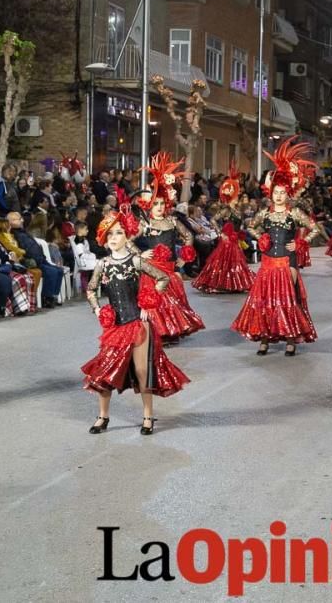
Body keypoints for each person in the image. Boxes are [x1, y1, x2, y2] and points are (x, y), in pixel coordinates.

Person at [82, 204, 190, 436]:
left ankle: (148, 416)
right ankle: (103, 416)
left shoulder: (136, 261)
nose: (114, 237)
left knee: (143, 371)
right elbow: (91, 290)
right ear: (103, 237)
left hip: (138, 324)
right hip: (115, 325)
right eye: (109, 233)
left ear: (127, 235)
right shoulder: (102, 264)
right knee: (105, 370)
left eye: (119, 232)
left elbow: (162, 278)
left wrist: (148, 304)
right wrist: (98, 310)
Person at [232, 140, 319, 356]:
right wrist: (261, 237)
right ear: (270, 193)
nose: (279, 195)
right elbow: (250, 227)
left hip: (287, 261)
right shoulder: (266, 213)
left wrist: (300, 242)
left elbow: (314, 228)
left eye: (282, 192)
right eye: (276, 192)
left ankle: (290, 339)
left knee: (287, 300)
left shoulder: (294, 213)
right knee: (265, 302)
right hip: (268, 263)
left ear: (288, 193)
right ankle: (265, 339)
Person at [130, 152, 204, 343]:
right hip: (152, 270)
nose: (160, 207)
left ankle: (171, 331)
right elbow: (127, 241)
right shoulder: (145, 224)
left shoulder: (172, 221)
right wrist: (140, 254)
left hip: (170, 268)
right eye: (156, 204)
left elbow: (188, 235)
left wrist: (184, 257)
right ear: (149, 205)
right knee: (156, 302)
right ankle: (159, 333)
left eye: (162, 203)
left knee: (171, 302)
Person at [192, 163, 255, 293]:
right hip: (227, 241)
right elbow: (213, 220)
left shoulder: (238, 210)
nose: (239, 195)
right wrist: (221, 233)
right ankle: (222, 284)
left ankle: (234, 283)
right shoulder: (227, 209)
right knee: (224, 263)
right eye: (237, 194)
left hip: (235, 240)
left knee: (235, 263)